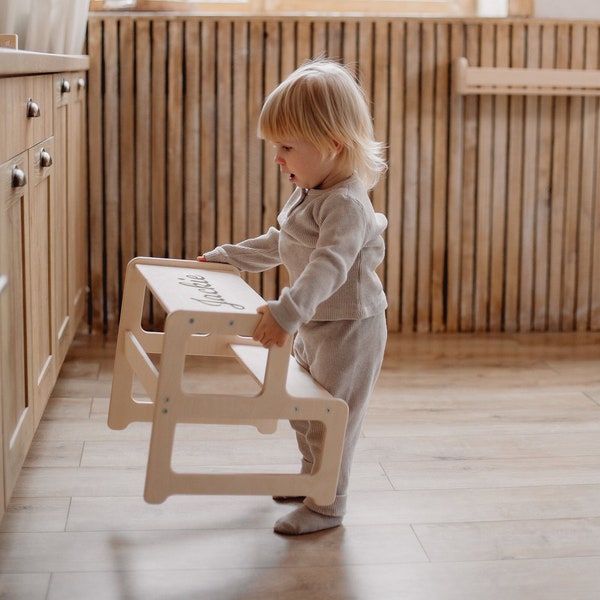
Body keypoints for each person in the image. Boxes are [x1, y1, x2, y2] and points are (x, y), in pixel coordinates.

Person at [198, 58, 388, 535]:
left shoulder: (345, 203)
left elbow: (329, 265)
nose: (277, 158)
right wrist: (229, 257)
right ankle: (311, 478)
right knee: (302, 410)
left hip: (350, 330)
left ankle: (328, 505)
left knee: (332, 422)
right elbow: (281, 243)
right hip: (313, 324)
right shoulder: (307, 190)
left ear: (331, 145)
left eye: (286, 146)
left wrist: (286, 312)